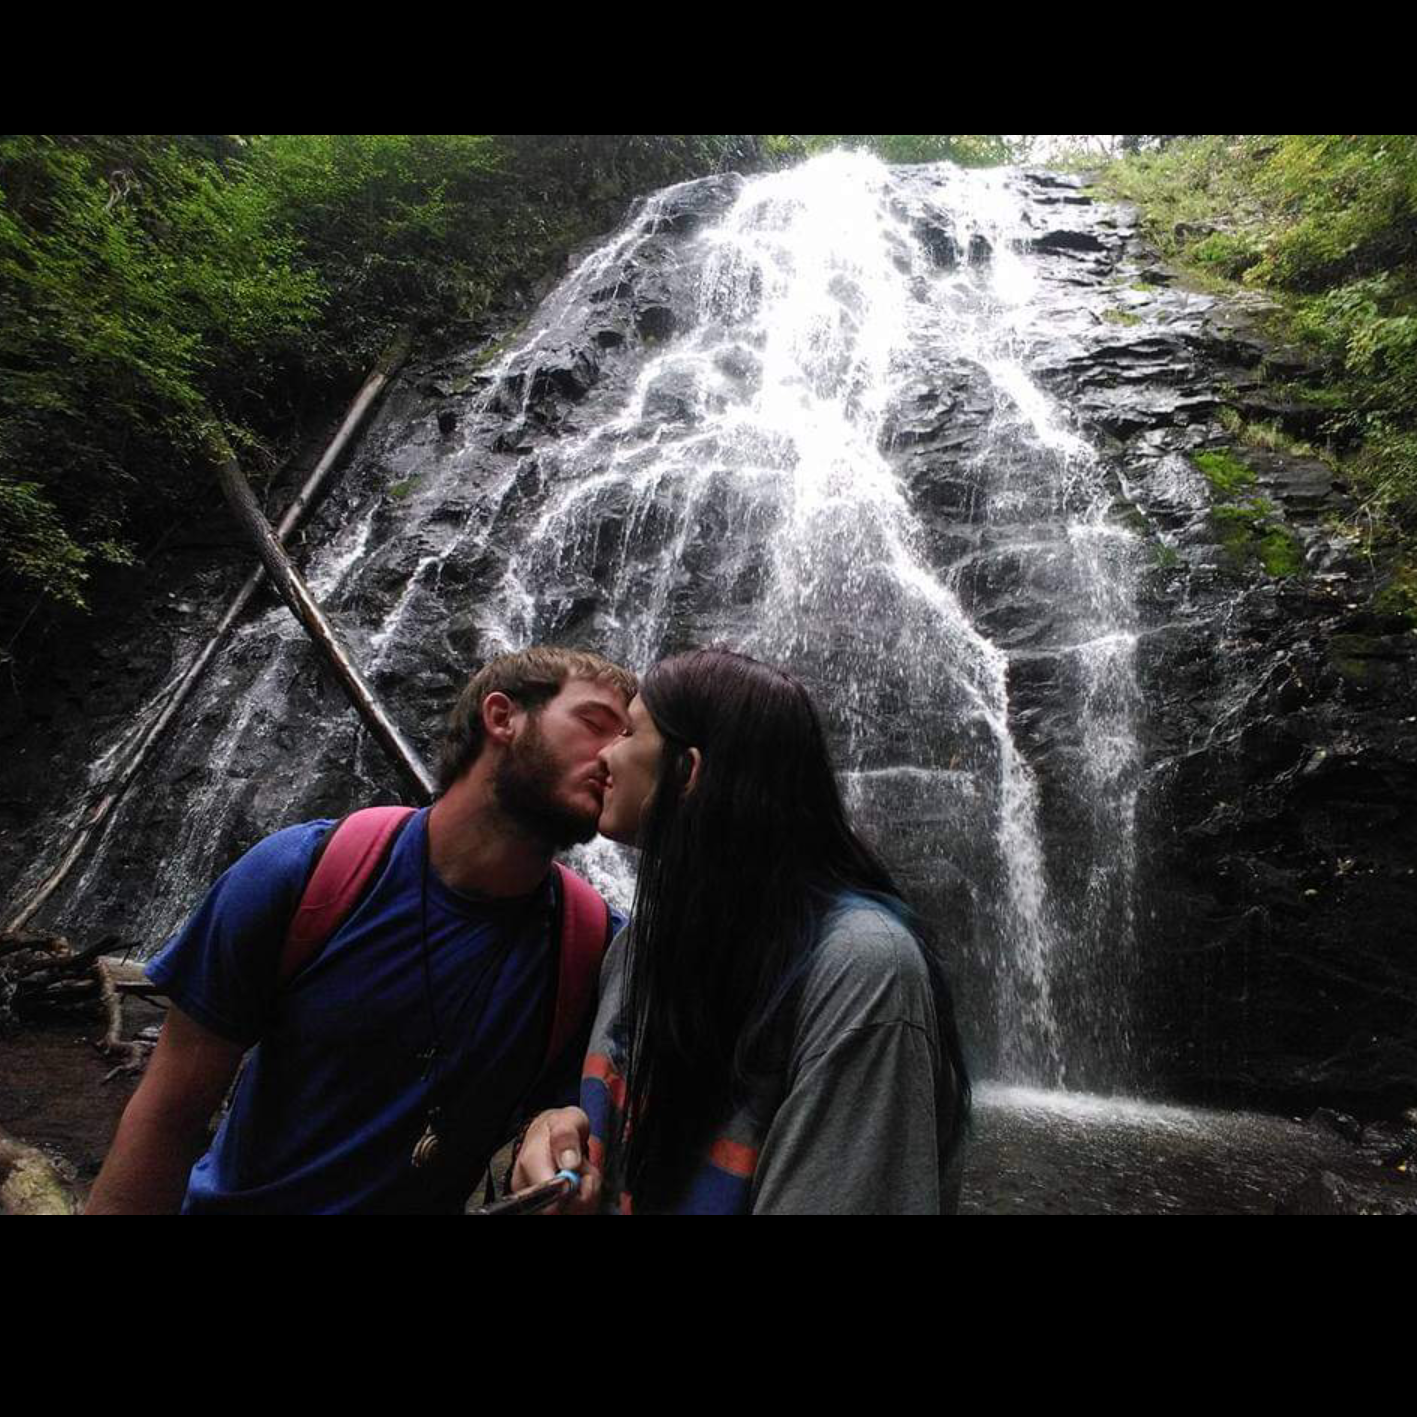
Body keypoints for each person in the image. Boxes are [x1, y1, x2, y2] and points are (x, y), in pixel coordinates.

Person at [86, 647, 635, 1214]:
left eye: (629, 738)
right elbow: (169, 1115)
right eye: (595, 724)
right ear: (502, 718)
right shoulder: (303, 876)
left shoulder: (593, 947)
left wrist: (547, 1125)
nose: (616, 756)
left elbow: (560, 1115)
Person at [514, 647, 970, 1215]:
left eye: (627, 732)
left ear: (687, 771)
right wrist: (549, 1129)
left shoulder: (862, 969)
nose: (604, 754)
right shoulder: (637, 949)